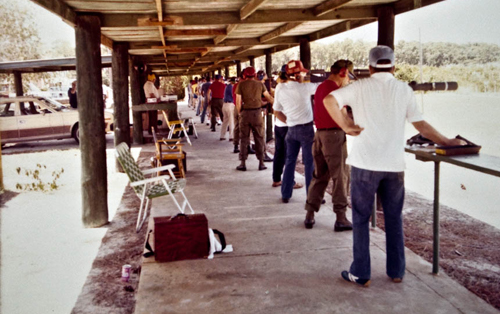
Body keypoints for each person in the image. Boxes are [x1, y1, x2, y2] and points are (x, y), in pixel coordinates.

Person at [324, 45, 466, 287]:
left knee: (359, 218)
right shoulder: (403, 90)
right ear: (394, 66)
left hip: (364, 164)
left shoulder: (358, 87)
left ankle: (361, 273)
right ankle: (397, 270)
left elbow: (329, 100)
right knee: (394, 218)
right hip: (393, 165)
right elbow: (420, 124)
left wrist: (346, 125)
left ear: (368, 67)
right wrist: (447, 141)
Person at [304, 60, 355, 231]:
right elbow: (343, 118)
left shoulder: (320, 87)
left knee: (319, 176)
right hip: (334, 136)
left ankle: (310, 214)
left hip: (319, 135)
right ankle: (341, 217)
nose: (348, 81)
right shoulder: (336, 91)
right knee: (340, 176)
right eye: (348, 76)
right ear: (343, 72)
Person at [273, 60, 319, 203]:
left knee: (290, 161)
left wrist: (290, 121)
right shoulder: (304, 88)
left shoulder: (280, 88)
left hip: (291, 129)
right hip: (306, 128)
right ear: (298, 74)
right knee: (309, 163)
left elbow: (276, 111)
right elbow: (322, 87)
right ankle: (311, 196)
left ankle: (286, 194)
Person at [235, 67, 274, 171]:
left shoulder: (241, 85)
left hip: (245, 114)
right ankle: (261, 163)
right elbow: (269, 98)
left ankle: (243, 163)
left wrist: (240, 113)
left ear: (245, 75)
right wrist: (276, 104)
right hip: (257, 114)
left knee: (244, 138)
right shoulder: (260, 84)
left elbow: (238, 102)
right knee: (259, 138)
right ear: (255, 75)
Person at [272, 65, 304, 191]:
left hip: (279, 125)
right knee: (289, 156)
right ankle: (290, 182)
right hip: (287, 125)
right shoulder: (292, 88)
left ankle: (276, 179)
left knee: (279, 153)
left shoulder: (280, 86)